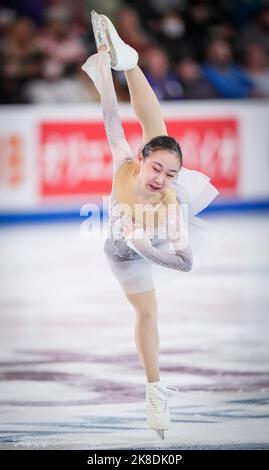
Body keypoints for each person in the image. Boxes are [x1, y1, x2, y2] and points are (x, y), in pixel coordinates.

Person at [82, 10, 219, 440]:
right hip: (118, 251)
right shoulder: (127, 163)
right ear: (141, 161)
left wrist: (144, 245)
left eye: (170, 174)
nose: (160, 178)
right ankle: (128, 59)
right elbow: (110, 116)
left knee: (148, 312)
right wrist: (104, 69)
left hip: (149, 245)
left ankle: (154, 390)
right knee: (156, 130)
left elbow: (186, 263)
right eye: (156, 168)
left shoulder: (171, 203)